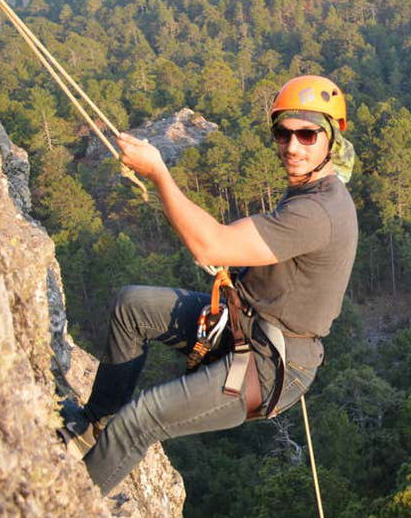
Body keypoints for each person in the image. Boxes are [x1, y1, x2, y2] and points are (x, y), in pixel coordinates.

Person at [58, 75, 359, 496]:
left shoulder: (319, 210)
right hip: (242, 325)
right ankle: (96, 426)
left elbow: (211, 242)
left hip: (272, 364)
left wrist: (159, 172)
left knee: (141, 420)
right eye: (283, 133)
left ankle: (64, 502)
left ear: (330, 139)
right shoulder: (311, 189)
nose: (293, 147)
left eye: (307, 135)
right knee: (132, 307)